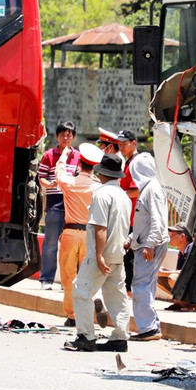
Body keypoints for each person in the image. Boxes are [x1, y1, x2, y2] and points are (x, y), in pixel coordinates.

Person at [64, 153, 132, 353]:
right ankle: (120, 338)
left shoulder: (102, 194)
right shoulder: (124, 196)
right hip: (118, 253)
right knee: (116, 296)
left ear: (102, 173)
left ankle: (86, 336)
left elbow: (100, 227)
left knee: (81, 291)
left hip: (101, 254)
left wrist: (100, 255)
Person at [55, 142, 103, 327]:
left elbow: (58, 172)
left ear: (79, 163)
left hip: (69, 233)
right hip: (89, 234)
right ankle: (93, 303)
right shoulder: (97, 187)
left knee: (68, 277)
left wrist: (64, 155)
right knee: (88, 275)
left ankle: (72, 315)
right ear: (94, 166)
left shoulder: (69, 182)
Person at [126, 153, 170, 341]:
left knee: (141, 285)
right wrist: (131, 238)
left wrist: (150, 244)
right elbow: (143, 222)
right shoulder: (149, 188)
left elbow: (157, 220)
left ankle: (148, 328)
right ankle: (151, 325)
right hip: (146, 243)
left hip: (151, 245)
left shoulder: (152, 189)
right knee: (146, 285)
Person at [37, 121, 80, 289]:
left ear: (73, 137)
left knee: (71, 247)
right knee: (50, 244)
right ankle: (46, 279)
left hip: (72, 208)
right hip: (55, 207)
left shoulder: (78, 157)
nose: (66, 137)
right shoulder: (49, 155)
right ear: (57, 136)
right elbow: (41, 177)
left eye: (69, 134)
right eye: (63, 134)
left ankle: (67, 281)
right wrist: (48, 184)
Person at [158, 223, 196, 311]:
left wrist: (165, 272)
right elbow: (180, 271)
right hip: (191, 284)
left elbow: (187, 273)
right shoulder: (181, 252)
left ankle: (195, 304)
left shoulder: (192, 249)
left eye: (173, 234)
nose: (169, 237)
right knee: (158, 277)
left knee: (173, 278)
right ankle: (181, 303)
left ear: (182, 236)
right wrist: (163, 271)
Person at [116, 129, 139, 295]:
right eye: (120, 144)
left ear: (134, 144)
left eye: (124, 144)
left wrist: (118, 194)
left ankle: (129, 291)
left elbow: (136, 190)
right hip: (128, 217)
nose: (121, 147)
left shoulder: (136, 163)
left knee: (129, 258)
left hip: (133, 218)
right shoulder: (129, 162)